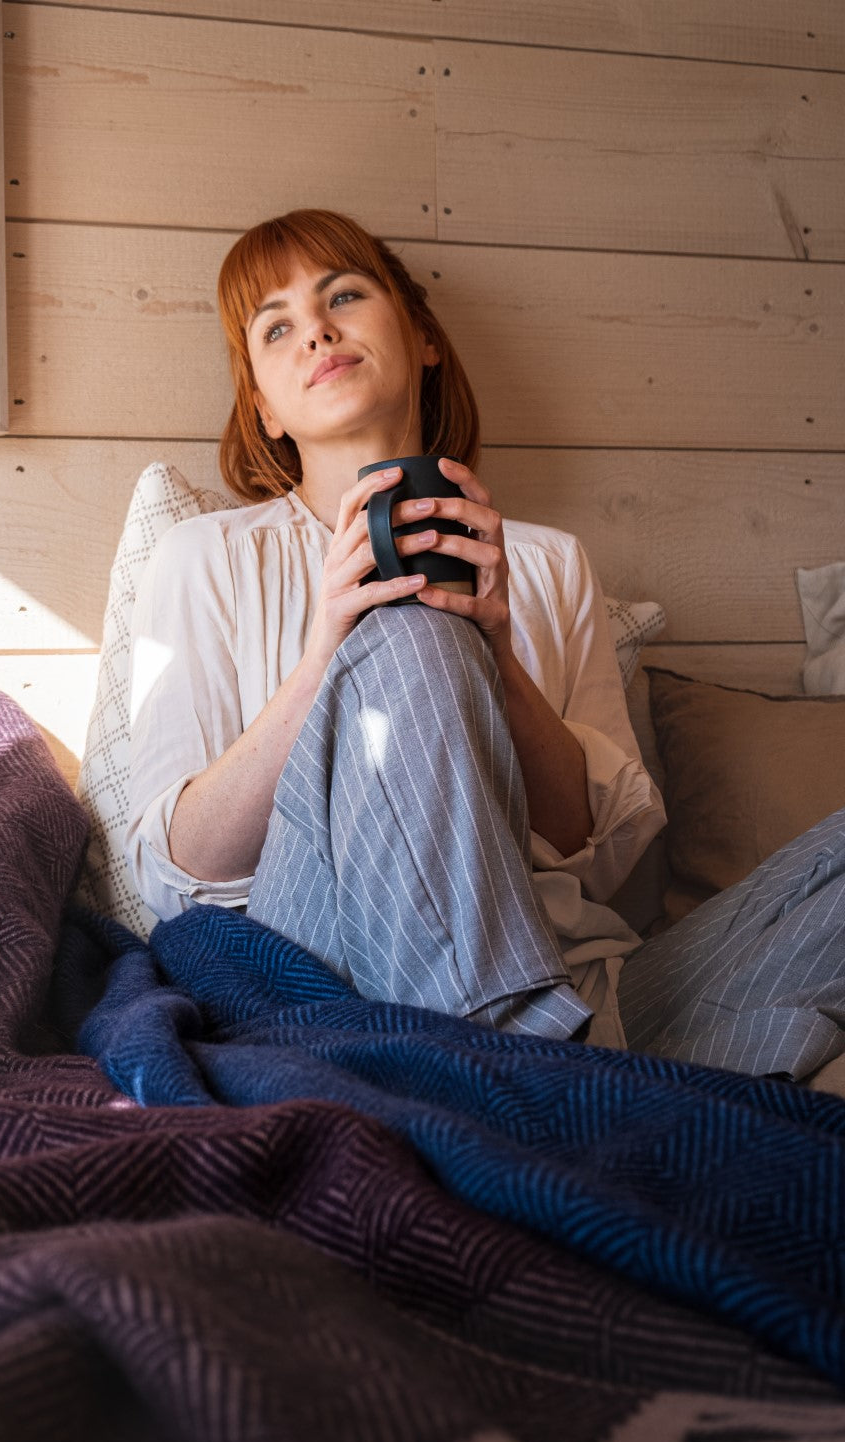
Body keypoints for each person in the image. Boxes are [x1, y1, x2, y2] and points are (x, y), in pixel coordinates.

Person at [126, 208, 845, 1080]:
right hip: (334, 981)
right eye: (276, 327)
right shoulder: (207, 558)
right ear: (264, 409)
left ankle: (586, 1074)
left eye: (343, 294)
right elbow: (176, 878)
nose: (316, 329)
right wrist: (328, 655)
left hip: (583, 988)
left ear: (423, 339)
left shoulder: (547, 564)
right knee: (411, 627)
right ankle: (522, 1071)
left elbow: (609, 858)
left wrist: (499, 658)